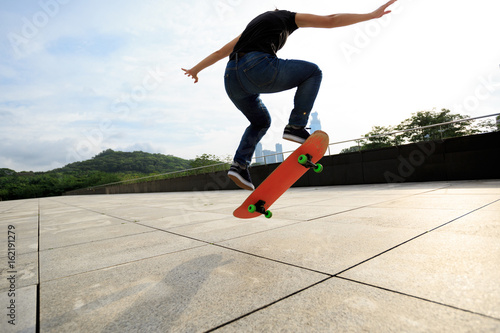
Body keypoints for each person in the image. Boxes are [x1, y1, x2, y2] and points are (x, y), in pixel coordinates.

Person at [182, 0, 397, 191]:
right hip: (257, 67)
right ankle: (296, 126)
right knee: (313, 72)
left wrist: (195, 69)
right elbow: (331, 20)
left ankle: (239, 166)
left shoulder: (249, 31)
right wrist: (370, 15)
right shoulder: (286, 17)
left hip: (231, 79)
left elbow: (221, 52)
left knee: (260, 121)